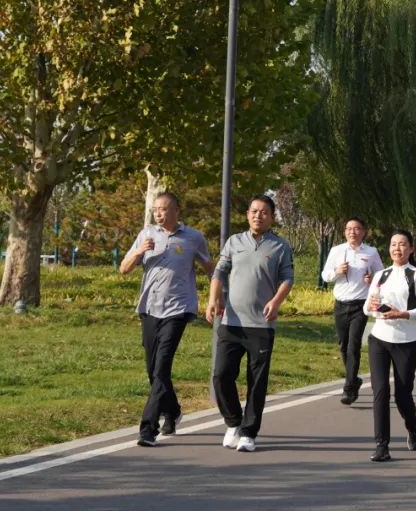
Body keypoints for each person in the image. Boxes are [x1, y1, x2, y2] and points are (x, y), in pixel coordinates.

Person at [120, 192, 214, 447]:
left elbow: (210, 267)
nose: (158, 214)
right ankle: (172, 411)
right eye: (155, 210)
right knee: (153, 370)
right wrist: (139, 251)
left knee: (161, 367)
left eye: (163, 209)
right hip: (150, 308)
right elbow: (124, 268)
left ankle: (148, 429)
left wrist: (217, 297)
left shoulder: (193, 237)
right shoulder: (146, 234)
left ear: (176, 211)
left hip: (178, 309)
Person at [206, 194, 295, 453]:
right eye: (254, 211)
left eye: (264, 212)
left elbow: (287, 278)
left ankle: (248, 432)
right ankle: (234, 422)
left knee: (257, 381)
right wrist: (212, 300)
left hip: (261, 325)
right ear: (247, 214)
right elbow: (219, 271)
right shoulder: (234, 242)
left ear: (272, 217)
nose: (258, 216)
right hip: (231, 321)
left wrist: (276, 302)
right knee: (221, 375)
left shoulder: (280, 246)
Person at [365, 230, 416, 462]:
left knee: (402, 395)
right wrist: (372, 305)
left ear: (411, 248)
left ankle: (412, 429)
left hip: (405, 341)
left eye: (402, 244)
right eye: (393, 244)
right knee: (380, 391)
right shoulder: (381, 275)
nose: (397, 248)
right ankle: (381, 446)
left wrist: (402, 314)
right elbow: (367, 307)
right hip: (379, 339)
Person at [320, 217, 384, 405]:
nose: (352, 232)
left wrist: (371, 279)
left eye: (357, 229)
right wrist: (337, 272)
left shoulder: (371, 252)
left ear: (363, 232)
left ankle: (349, 389)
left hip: (360, 305)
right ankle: (354, 379)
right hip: (341, 304)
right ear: (344, 232)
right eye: (349, 229)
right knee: (343, 345)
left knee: (353, 345)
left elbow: (381, 276)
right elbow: (325, 275)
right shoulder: (337, 251)